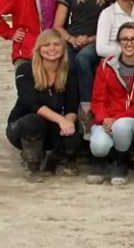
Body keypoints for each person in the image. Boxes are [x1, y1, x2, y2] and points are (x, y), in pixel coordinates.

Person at [6, 30, 79, 182]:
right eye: (46, 45)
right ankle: (32, 165)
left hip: (51, 125)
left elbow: (71, 106)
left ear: (63, 48)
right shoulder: (25, 69)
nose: (52, 49)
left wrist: (68, 122)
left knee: (74, 129)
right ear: (38, 49)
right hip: (22, 127)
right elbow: (32, 103)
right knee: (34, 121)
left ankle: (55, 158)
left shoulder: (69, 72)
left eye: (56, 44)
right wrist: (61, 120)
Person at [88, 22, 134, 185]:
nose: (129, 43)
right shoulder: (107, 65)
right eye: (124, 39)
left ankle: (121, 161)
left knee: (122, 126)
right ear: (119, 42)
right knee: (98, 146)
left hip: (129, 117)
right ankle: (100, 161)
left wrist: (116, 119)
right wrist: (104, 118)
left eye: (133, 39)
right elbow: (98, 98)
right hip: (107, 118)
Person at [53, 0, 110, 130]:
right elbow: (57, 25)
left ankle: (86, 109)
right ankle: (67, 110)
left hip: (97, 38)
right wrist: (71, 39)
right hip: (72, 38)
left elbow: (112, 24)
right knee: (67, 64)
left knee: (83, 59)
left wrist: (90, 39)